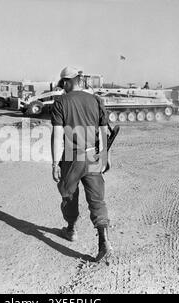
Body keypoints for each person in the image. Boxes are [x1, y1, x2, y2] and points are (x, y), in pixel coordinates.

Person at [51, 66, 113, 263]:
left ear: (69, 81)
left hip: (72, 157)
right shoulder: (96, 100)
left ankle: (71, 229)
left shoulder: (61, 102)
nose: (63, 87)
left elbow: (57, 134)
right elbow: (103, 130)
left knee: (68, 194)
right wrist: (105, 155)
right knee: (97, 199)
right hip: (93, 155)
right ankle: (104, 241)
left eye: (63, 84)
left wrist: (54, 163)